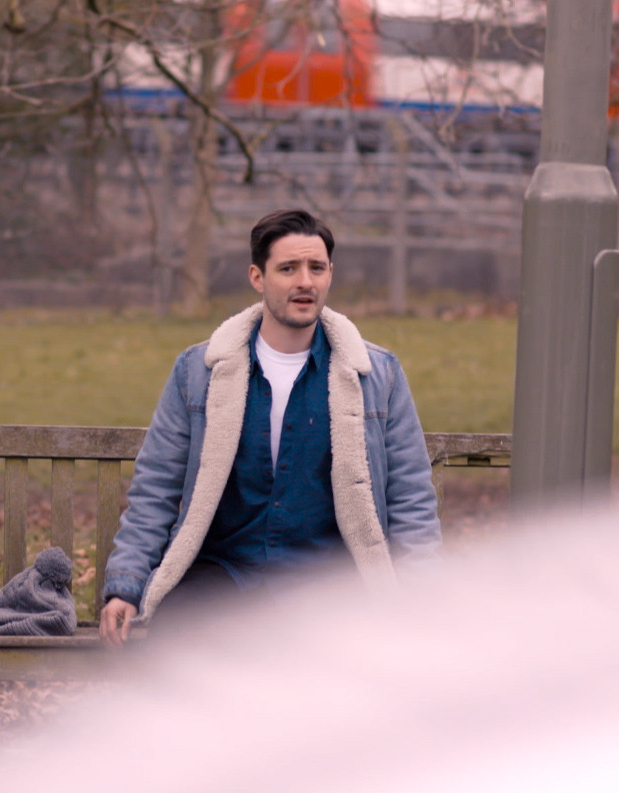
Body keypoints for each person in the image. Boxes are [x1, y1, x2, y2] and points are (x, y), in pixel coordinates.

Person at [98, 209, 442, 645]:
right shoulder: (199, 371)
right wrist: (125, 585)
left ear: (331, 274)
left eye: (316, 268)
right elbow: (156, 487)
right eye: (288, 269)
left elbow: (411, 497)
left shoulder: (376, 374)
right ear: (257, 278)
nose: (305, 282)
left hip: (329, 584)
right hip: (225, 574)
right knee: (178, 644)